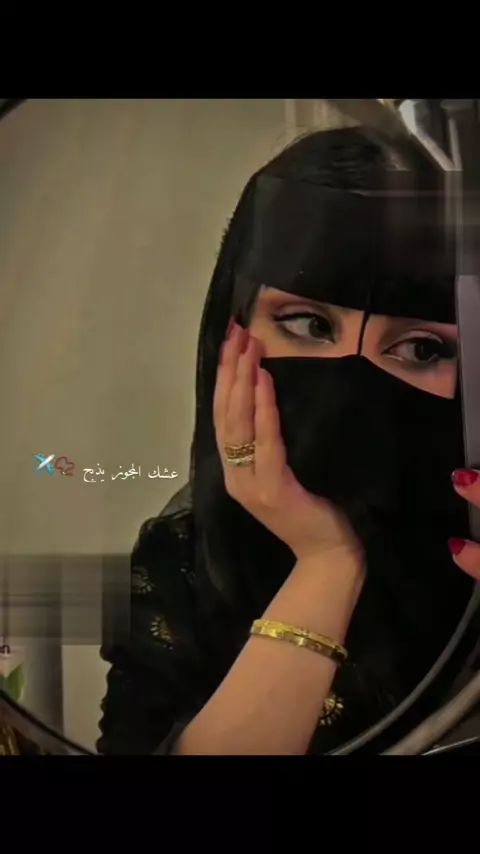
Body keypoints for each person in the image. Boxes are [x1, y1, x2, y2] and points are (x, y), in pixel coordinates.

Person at [98, 126, 480, 756]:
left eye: (421, 348)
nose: (350, 387)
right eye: (308, 324)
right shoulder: (182, 560)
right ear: (232, 330)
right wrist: (327, 560)